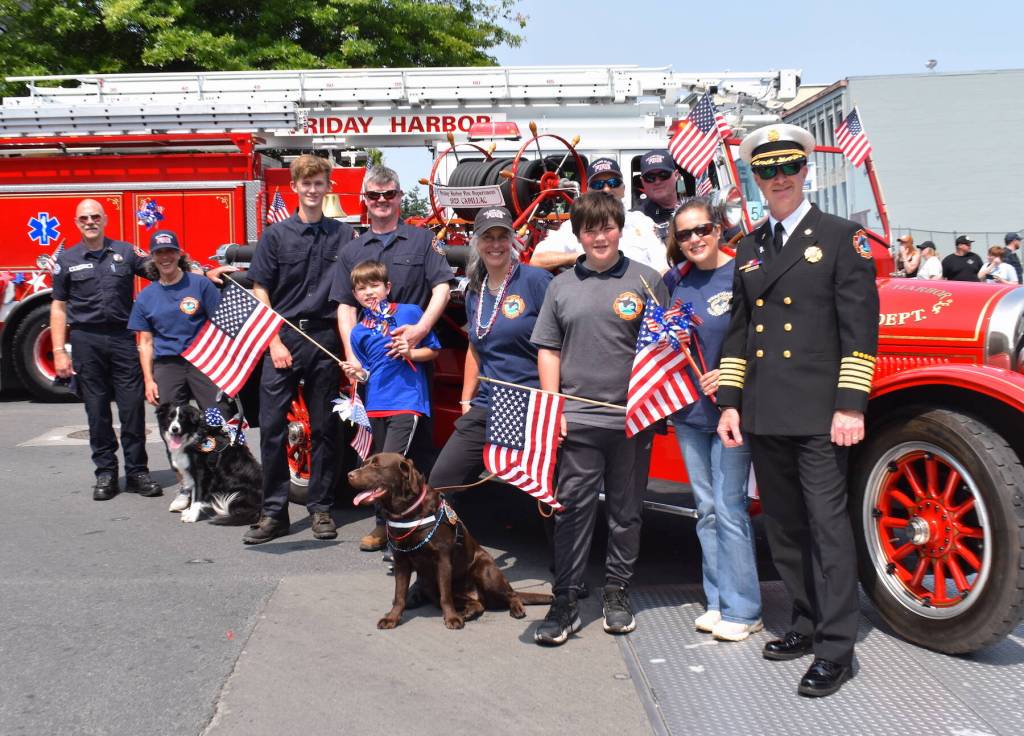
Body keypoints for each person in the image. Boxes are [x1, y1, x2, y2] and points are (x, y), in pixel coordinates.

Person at [716, 124, 879, 697]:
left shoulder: (840, 237)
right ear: (755, 178)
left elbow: (860, 330)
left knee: (829, 530)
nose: (778, 178)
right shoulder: (748, 245)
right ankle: (806, 624)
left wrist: (850, 405)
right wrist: (730, 403)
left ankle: (837, 648)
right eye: (766, 170)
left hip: (819, 413)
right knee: (784, 528)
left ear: (805, 169)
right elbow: (739, 331)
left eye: (788, 167)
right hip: (763, 410)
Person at [530, 191, 667, 646]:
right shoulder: (560, 286)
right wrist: (553, 409)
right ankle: (565, 599)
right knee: (572, 511)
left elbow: (664, 352)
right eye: (590, 228)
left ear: (619, 229)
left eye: (607, 226)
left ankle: (616, 591)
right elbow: (548, 349)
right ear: (579, 234)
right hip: (578, 419)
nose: (600, 236)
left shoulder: (648, 281)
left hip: (632, 420)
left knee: (626, 515)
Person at [331, 165, 454, 551]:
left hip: (414, 365)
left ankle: (420, 526)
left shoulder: (422, 240)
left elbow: (442, 288)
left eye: (389, 195)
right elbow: (345, 308)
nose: (382, 202)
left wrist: (419, 331)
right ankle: (387, 526)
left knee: (415, 452)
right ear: (363, 201)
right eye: (374, 196)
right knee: (384, 452)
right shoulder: (351, 249)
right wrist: (354, 360)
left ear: (400, 197)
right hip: (375, 375)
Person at [664, 199, 761, 642]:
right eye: (684, 234)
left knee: (730, 507)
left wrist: (730, 372)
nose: (694, 240)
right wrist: (672, 338)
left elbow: (764, 337)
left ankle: (745, 609)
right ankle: (718, 600)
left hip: (732, 411)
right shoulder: (674, 281)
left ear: (719, 230)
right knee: (705, 510)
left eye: (702, 229)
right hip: (690, 412)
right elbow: (663, 341)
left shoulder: (743, 273)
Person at [244, 154, 355, 544]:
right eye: (305, 184)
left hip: (324, 338)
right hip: (283, 338)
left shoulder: (343, 237)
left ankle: (321, 508)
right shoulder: (276, 236)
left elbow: (352, 293)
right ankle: (273, 512)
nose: (312, 190)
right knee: (272, 427)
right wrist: (272, 340)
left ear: (328, 188)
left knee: (327, 428)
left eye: (319, 183)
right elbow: (260, 288)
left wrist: (347, 348)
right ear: (294, 188)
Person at [429, 207, 552, 487]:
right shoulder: (475, 290)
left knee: (543, 496)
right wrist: (465, 401)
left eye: (502, 236)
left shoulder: (537, 281)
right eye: (488, 237)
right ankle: (456, 532)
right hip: (488, 403)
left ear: (512, 241)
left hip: (530, 403)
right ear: (477, 242)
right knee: (441, 484)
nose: (495, 245)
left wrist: (556, 405)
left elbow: (560, 345)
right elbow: (475, 347)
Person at [50, 199, 162, 501]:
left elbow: (160, 270)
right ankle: (106, 473)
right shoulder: (67, 260)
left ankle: (138, 471)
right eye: (84, 218)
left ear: (105, 219)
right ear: (76, 222)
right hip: (87, 341)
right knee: (96, 411)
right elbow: (59, 307)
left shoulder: (125, 252)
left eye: (95, 216)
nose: (90, 222)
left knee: (131, 409)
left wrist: (199, 273)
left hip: (124, 339)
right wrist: (59, 350)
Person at [127, 229, 238, 513]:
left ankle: (218, 482)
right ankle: (186, 485)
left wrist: (224, 367)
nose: (165, 258)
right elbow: (145, 342)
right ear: (153, 259)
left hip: (202, 362)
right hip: (167, 365)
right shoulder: (146, 296)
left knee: (217, 419)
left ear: (179, 254)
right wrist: (149, 379)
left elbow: (222, 326)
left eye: (170, 252)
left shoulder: (200, 285)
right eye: (160, 253)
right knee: (171, 429)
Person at [341, 260, 440, 467]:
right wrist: (358, 372)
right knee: (376, 469)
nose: (368, 292)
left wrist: (410, 353)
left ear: (387, 288)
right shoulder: (358, 332)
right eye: (361, 288)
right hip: (375, 404)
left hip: (406, 402)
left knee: (387, 467)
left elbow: (433, 351)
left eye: (374, 285)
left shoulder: (410, 313)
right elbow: (368, 371)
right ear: (355, 294)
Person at [530, 158, 665, 272]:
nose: (606, 189)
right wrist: (581, 257)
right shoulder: (572, 225)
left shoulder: (642, 222)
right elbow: (537, 260)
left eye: (613, 183)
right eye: (598, 184)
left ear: (623, 189)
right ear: (587, 191)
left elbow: (662, 267)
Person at [634, 149, 683, 241]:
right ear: (642, 181)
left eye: (663, 175)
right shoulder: (634, 219)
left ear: (676, 175)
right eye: (650, 177)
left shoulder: (693, 211)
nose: (657, 181)